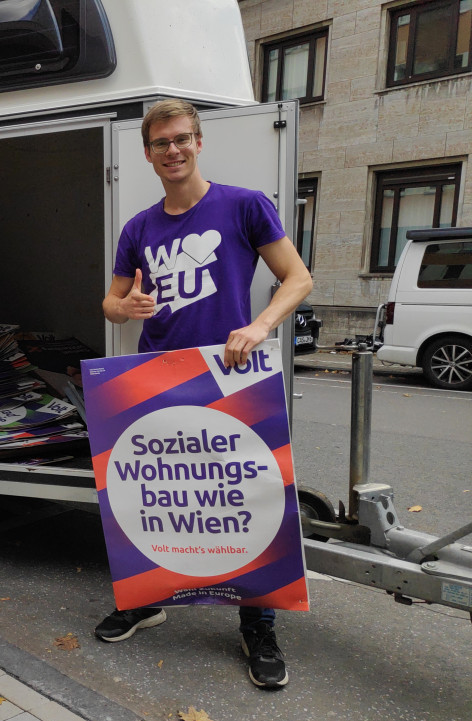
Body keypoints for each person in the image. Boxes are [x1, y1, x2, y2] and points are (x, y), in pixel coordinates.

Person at [99, 99, 313, 689]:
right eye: (161, 143)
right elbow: (110, 303)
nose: (172, 150)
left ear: (198, 142)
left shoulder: (244, 205)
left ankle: (258, 624)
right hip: (157, 377)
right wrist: (128, 306)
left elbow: (299, 277)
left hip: (229, 375)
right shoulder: (138, 228)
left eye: (182, 139)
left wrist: (261, 325)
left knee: (244, 500)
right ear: (147, 153)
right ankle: (146, 599)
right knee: (153, 497)